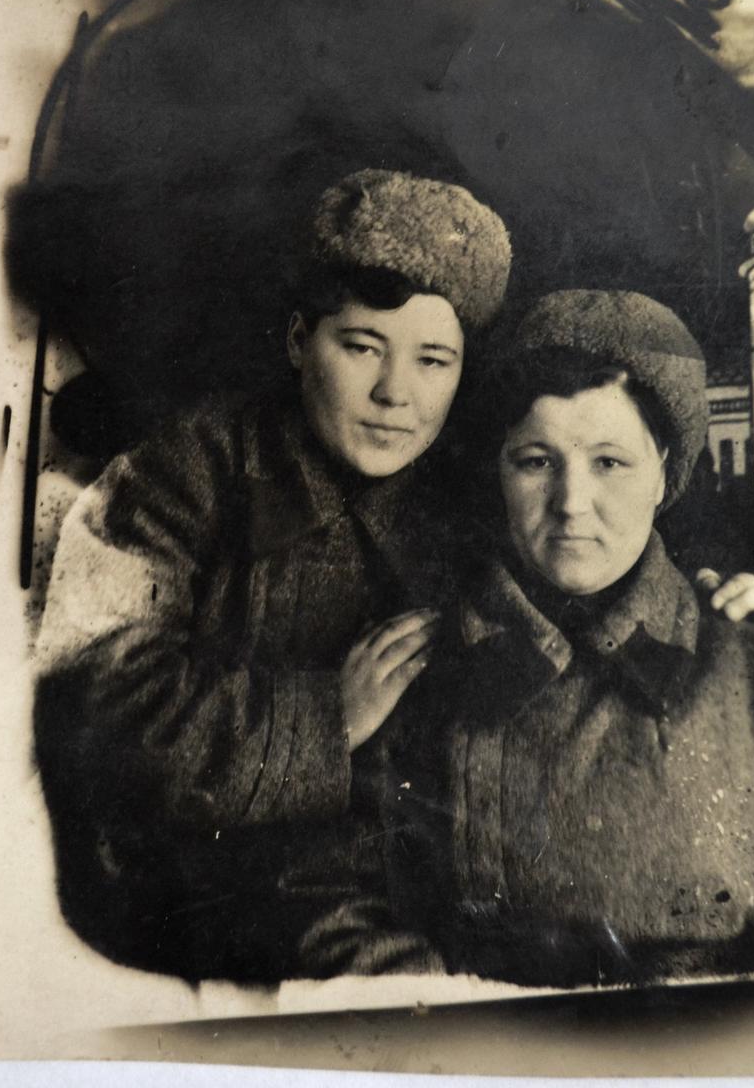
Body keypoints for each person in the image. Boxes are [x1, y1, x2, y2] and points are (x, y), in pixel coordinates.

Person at [32, 168, 514, 982]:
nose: (396, 393)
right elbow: (96, 713)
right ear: (298, 342)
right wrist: (328, 719)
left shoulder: (473, 502)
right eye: (362, 346)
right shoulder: (182, 474)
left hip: (408, 909)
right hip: (200, 917)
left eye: (434, 360)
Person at [382, 289, 754, 987]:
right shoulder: (411, 670)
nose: (571, 503)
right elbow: (346, 902)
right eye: (536, 461)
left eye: (609, 462)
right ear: (498, 470)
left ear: (663, 473)